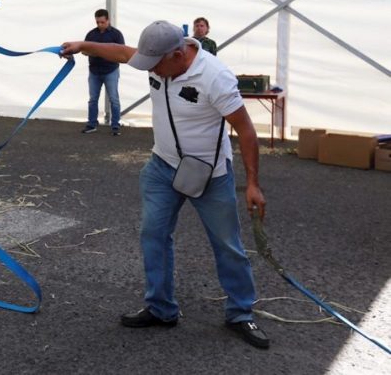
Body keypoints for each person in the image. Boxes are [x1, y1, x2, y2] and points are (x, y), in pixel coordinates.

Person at [60, 20, 269, 349]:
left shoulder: (214, 76)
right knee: (153, 234)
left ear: (178, 53)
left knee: (228, 245)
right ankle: (161, 308)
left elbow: (245, 129)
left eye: (156, 64)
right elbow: (121, 52)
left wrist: (253, 183)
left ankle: (240, 312)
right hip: (163, 167)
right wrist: (82, 45)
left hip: (210, 173)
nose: (151, 70)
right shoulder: (158, 60)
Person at [82, 9, 125, 135]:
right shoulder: (91, 34)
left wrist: (103, 53)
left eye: (102, 22)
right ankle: (91, 124)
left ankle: (115, 126)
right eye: (97, 22)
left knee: (114, 99)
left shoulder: (116, 35)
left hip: (110, 70)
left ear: (108, 20)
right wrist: (90, 52)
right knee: (93, 99)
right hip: (94, 71)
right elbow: (83, 50)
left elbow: (122, 51)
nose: (100, 24)